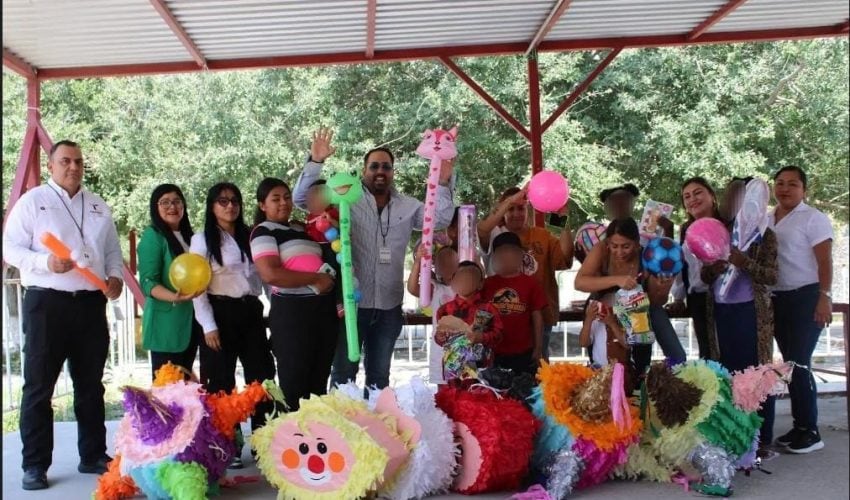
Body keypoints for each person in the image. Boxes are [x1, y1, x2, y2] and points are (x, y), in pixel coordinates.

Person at [292, 127, 455, 390]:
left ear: (392, 172)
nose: (380, 171)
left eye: (386, 167)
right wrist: (316, 162)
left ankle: (376, 429)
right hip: (352, 305)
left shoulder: (409, 206)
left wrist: (444, 182)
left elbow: (442, 218)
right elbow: (302, 200)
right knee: (343, 373)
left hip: (390, 306)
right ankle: (343, 430)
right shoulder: (346, 198)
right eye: (374, 166)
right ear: (364, 170)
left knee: (379, 378)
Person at [3, 140, 124, 490]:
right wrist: (44, 262)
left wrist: (114, 277)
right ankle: (35, 464)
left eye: (78, 162)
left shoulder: (99, 205)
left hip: (89, 304)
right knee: (39, 386)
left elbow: (112, 251)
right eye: (65, 161)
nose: (73, 167)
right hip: (46, 304)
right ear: (51, 165)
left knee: (90, 384)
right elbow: (9, 247)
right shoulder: (33, 201)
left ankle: (93, 454)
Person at [191, 182, 276, 468]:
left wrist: (276, 310)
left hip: (250, 312)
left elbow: (263, 277)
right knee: (221, 382)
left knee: (262, 376)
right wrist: (208, 325)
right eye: (222, 201)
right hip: (219, 313)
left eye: (234, 201)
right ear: (212, 206)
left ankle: (263, 442)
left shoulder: (251, 235)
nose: (230, 206)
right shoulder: (202, 240)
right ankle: (228, 444)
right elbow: (197, 286)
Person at [701, 177, 777, 457]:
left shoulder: (764, 234)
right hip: (721, 311)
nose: (732, 200)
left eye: (739, 195)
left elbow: (772, 275)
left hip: (751, 312)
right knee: (728, 374)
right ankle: (733, 436)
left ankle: (762, 439)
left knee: (757, 374)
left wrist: (745, 263)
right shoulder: (719, 230)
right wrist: (715, 268)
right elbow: (704, 274)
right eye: (729, 194)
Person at [250, 177, 338, 411]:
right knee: (294, 384)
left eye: (287, 197)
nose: (283, 203)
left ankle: (317, 443)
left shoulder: (302, 228)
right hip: (292, 315)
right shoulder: (262, 231)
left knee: (318, 384)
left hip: (323, 312)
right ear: (262, 205)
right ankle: (290, 443)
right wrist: (315, 279)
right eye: (275, 199)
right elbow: (271, 274)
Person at [769, 166, 833, 454]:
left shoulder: (814, 219)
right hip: (778, 299)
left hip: (807, 297)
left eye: (792, 184)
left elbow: (825, 262)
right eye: (780, 183)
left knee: (800, 363)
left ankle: (811, 431)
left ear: (804, 189)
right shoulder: (767, 218)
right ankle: (800, 426)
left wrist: (825, 296)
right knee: (790, 365)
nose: (785, 188)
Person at [574, 218, 686, 381]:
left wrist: (663, 286)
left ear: (636, 243)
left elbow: (656, 301)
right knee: (603, 360)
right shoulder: (601, 250)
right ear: (608, 243)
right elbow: (579, 282)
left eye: (626, 246)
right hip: (605, 310)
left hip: (640, 310)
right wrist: (617, 280)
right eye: (614, 246)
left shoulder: (648, 255)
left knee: (651, 358)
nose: (619, 252)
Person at [478, 186, 573, 362]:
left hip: (541, 316)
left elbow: (565, 259)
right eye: (510, 209)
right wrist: (509, 201)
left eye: (520, 208)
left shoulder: (543, 235)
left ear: (528, 209)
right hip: (502, 319)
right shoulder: (494, 234)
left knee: (538, 372)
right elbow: (481, 230)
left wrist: (563, 220)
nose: (516, 214)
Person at [138, 184, 202, 377]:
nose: (171, 206)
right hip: (166, 324)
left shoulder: (192, 237)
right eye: (164, 202)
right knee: (167, 391)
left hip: (192, 321)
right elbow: (148, 282)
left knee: (186, 385)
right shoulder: (153, 236)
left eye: (176, 201)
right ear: (155, 207)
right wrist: (174, 296)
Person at [668, 177, 722, 360]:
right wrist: (678, 297)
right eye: (687, 196)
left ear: (712, 195)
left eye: (698, 193)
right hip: (698, 297)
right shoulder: (686, 228)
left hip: (726, 296)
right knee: (707, 351)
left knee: (727, 348)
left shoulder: (727, 223)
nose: (693, 199)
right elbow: (682, 266)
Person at [482, 232, 547, 374]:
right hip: (493, 352)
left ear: (520, 255)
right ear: (494, 257)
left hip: (523, 352)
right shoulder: (486, 284)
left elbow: (537, 316)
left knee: (522, 392)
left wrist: (538, 347)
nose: (506, 256)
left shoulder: (531, 284)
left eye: (510, 251)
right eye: (501, 252)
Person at [435, 261, 503, 383]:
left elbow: (498, 335)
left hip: (482, 368)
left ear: (480, 283)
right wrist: (440, 337)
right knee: (452, 399)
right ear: (453, 282)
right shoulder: (444, 310)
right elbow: (440, 340)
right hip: (454, 368)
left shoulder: (488, 309)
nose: (465, 281)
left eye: (470, 278)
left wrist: (481, 337)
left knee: (480, 396)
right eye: (461, 278)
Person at [408, 244, 459, 384]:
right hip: (440, 348)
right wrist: (418, 263)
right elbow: (413, 289)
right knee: (442, 387)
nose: (447, 266)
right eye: (442, 263)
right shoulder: (435, 288)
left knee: (462, 387)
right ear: (436, 267)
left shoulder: (464, 286)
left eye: (451, 262)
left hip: (461, 347)